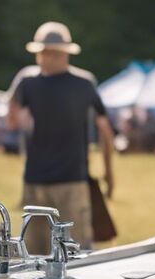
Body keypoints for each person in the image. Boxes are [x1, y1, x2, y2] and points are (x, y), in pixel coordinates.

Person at [6, 21, 115, 255]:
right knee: (72, 253)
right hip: (67, 180)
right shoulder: (84, 83)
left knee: (40, 256)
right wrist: (109, 173)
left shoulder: (27, 82)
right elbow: (106, 130)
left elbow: (12, 120)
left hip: (46, 181)